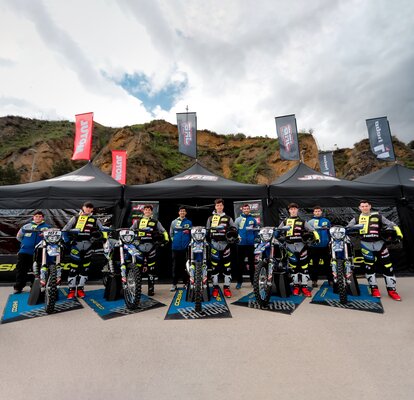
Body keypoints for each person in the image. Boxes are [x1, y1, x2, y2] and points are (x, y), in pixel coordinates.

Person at [347, 199, 403, 301]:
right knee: (369, 267)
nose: (364, 208)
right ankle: (374, 289)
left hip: (380, 244)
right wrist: (354, 229)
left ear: (370, 206)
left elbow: (393, 225)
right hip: (366, 245)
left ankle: (392, 290)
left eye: (366, 206)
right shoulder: (356, 218)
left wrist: (399, 234)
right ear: (359, 208)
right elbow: (348, 228)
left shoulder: (378, 216)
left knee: (388, 267)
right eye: (362, 206)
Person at [63, 202, 105, 299]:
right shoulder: (76, 218)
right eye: (87, 207)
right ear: (83, 208)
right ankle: (71, 290)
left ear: (92, 210)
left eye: (90, 208)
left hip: (88, 246)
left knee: (85, 268)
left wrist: (101, 238)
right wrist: (67, 241)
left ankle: (81, 289)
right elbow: (65, 230)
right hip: (76, 245)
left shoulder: (95, 219)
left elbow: (102, 231)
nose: (88, 209)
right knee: (73, 268)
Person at [278, 203, 320, 297]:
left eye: (295, 209)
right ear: (289, 211)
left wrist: (317, 238)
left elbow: (313, 230)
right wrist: (275, 238)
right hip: (290, 247)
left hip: (302, 247)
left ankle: (304, 287)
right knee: (294, 268)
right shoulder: (285, 222)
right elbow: (277, 231)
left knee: (304, 267)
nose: (293, 210)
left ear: (297, 210)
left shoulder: (302, 221)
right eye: (291, 209)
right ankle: (296, 287)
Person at [131, 204, 169, 296]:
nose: (147, 211)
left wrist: (166, 240)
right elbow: (130, 231)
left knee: (151, 269)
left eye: (149, 210)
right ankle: (137, 288)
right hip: (139, 246)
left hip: (151, 246)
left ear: (151, 212)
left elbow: (163, 231)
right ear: (143, 211)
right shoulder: (138, 222)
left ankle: (151, 289)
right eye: (146, 210)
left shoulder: (156, 222)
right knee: (138, 268)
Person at [13, 210, 51, 294]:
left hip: (40, 252)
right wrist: (25, 244)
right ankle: (18, 287)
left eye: (40, 216)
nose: (38, 218)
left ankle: (35, 288)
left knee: (37, 271)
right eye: (36, 216)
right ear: (33, 217)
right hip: (25, 251)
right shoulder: (26, 226)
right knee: (21, 269)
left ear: (43, 218)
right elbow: (18, 237)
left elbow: (50, 239)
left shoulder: (47, 227)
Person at [206, 199, 237, 298]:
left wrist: (233, 237)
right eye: (217, 205)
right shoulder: (211, 218)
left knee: (227, 266)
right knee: (214, 267)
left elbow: (234, 231)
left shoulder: (228, 218)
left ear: (223, 206)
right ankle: (215, 288)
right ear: (215, 207)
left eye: (220, 205)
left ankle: (226, 288)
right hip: (214, 244)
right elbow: (207, 232)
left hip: (225, 245)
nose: (219, 207)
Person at [234, 204, 258, 289]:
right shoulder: (238, 219)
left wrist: (253, 239)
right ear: (242, 210)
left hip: (250, 245)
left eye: (248, 208)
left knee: (252, 264)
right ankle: (239, 282)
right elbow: (234, 231)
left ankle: (253, 281)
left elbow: (256, 231)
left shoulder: (253, 220)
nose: (246, 210)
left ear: (249, 209)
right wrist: (238, 238)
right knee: (240, 264)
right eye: (245, 209)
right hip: (241, 245)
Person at [169, 207, 192, 291]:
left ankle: (186, 283)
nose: (182, 212)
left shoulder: (189, 222)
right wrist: (175, 241)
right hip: (175, 248)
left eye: (183, 211)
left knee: (186, 266)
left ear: (185, 213)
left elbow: (191, 234)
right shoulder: (174, 222)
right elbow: (171, 233)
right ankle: (174, 284)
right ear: (178, 212)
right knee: (175, 266)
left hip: (186, 248)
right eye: (181, 211)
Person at [308, 206, 332, 287]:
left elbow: (330, 232)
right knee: (314, 265)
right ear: (313, 213)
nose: (317, 212)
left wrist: (329, 242)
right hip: (314, 247)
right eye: (316, 211)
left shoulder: (326, 221)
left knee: (328, 265)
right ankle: (314, 281)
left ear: (321, 212)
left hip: (325, 247)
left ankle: (330, 280)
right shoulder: (310, 222)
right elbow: (308, 234)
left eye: (319, 211)